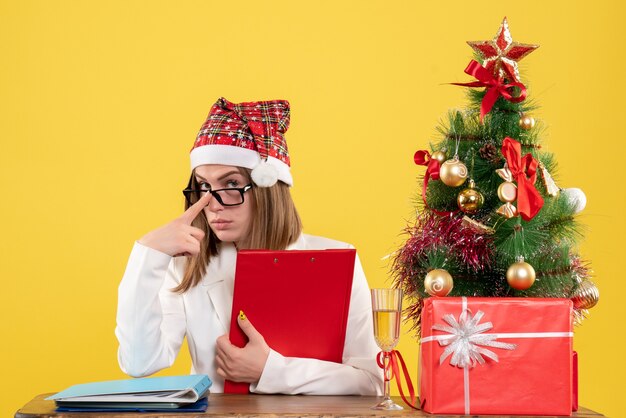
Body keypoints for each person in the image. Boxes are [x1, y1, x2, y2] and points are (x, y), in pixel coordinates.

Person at [115, 97, 383, 395]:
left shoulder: (335, 260)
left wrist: (271, 371)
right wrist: (147, 254)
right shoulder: (185, 264)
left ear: (267, 188)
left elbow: (370, 382)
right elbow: (139, 362)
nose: (213, 205)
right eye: (204, 186)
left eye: (230, 184)